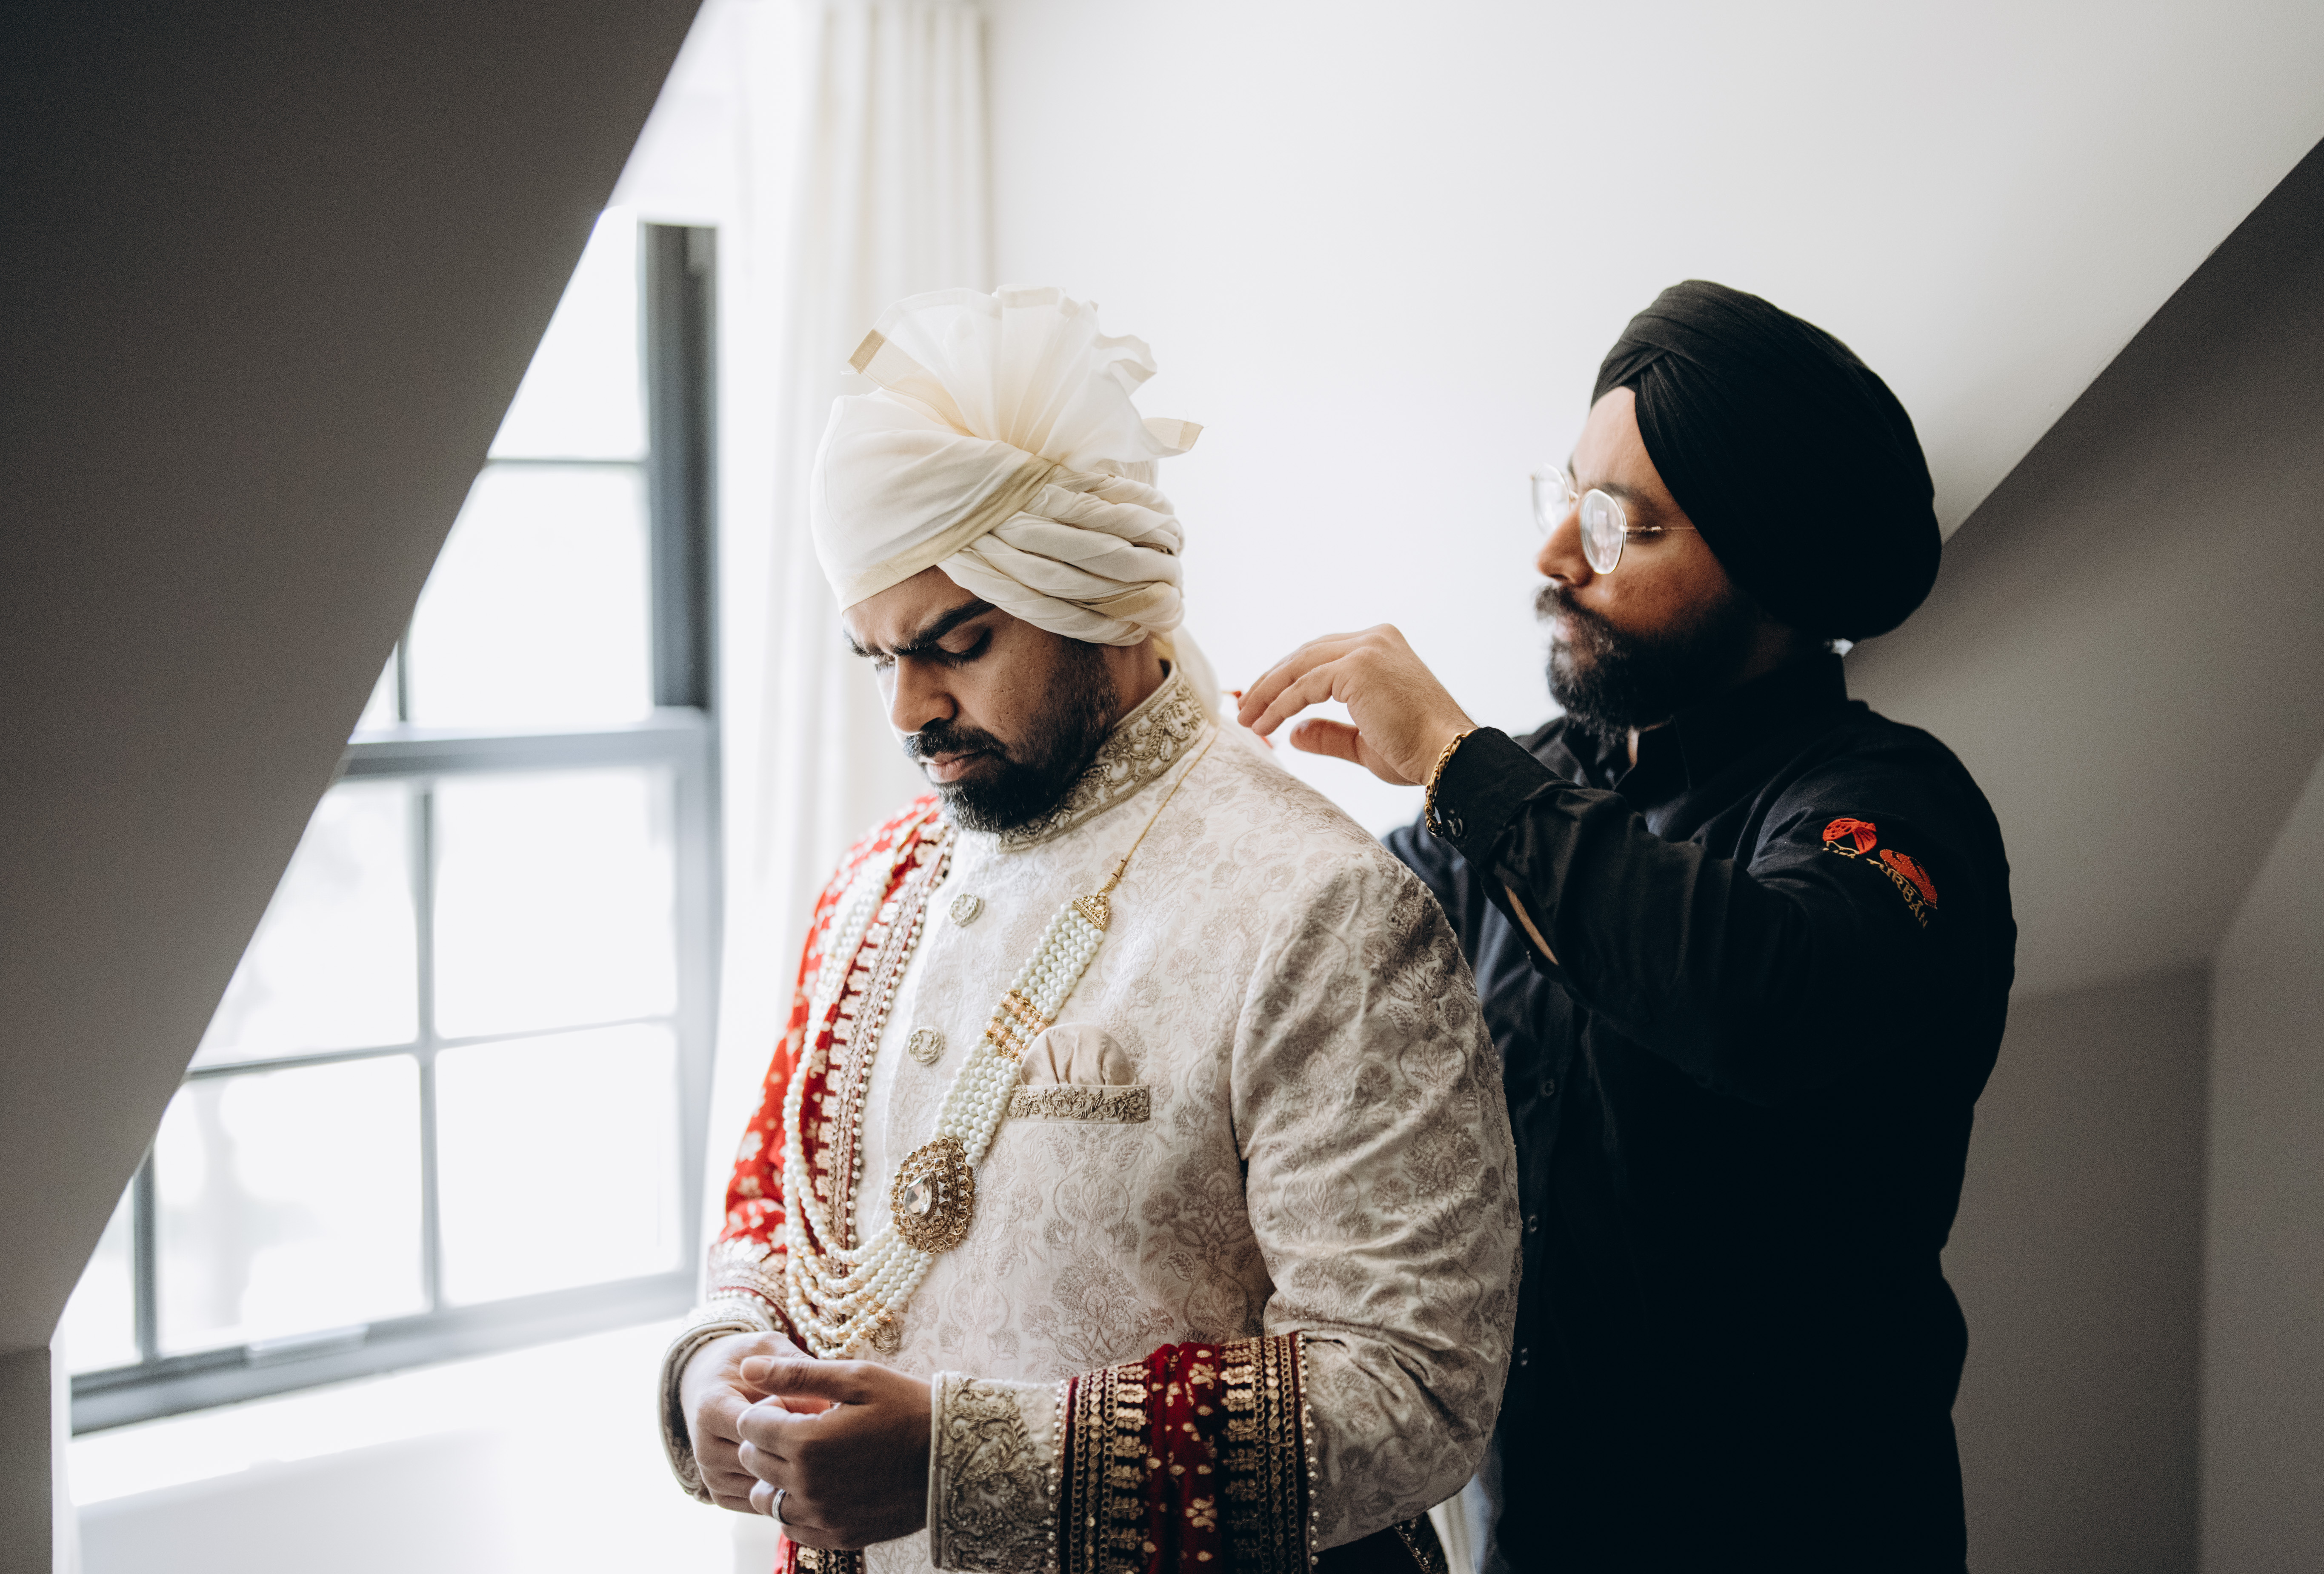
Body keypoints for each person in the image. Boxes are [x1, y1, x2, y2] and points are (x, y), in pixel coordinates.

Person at [658, 286, 1518, 1574]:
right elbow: (784, 1208)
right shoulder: (871, 885)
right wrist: (719, 1361)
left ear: (1101, 605)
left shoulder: (1318, 907)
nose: (907, 709)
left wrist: (961, 1464)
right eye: (876, 657)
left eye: (955, 644)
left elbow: (1413, 1390)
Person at [1239, 280, 2016, 1572]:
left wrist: (1455, 758)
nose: (1556, 553)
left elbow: (1760, 996)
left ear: (1772, 563)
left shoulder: (1894, 803)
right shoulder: (1533, 791)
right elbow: (1320, 956)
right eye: (1567, 494)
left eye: (1621, 523)